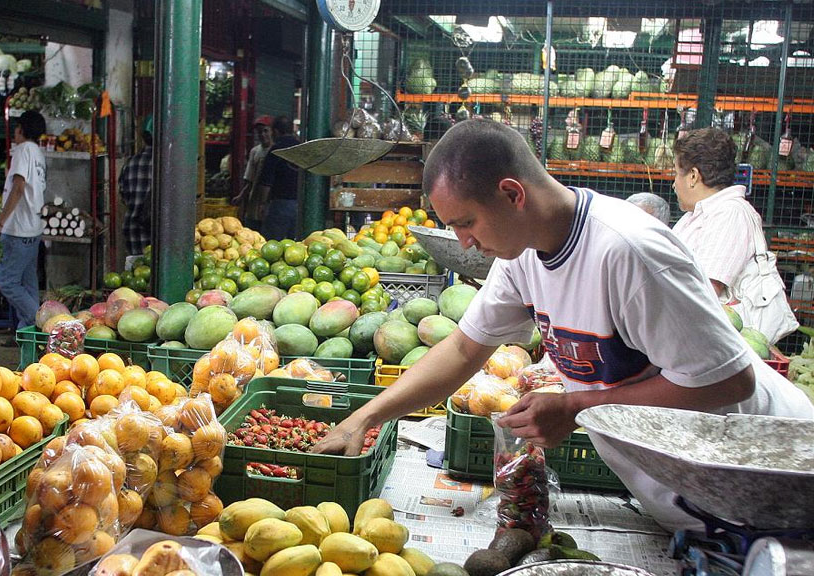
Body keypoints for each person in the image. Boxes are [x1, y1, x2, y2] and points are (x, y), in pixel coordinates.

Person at [312, 118, 813, 532]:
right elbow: (465, 350)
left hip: (768, 482)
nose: (463, 242)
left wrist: (576, 406)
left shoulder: (629, 252)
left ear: (512, 194)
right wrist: (365, 418)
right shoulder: (521, 256)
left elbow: (729, 379)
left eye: (466, 223)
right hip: (688, 493)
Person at [671, 128, 798, 344]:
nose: (674, 184)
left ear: (693, 176)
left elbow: (706, 289)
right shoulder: (696, 215)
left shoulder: (730, 213)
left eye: (675, 173)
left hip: (722, 343)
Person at [0, 110, 47, 330]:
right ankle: (30, 336)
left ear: (21, 129)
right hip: (33, 229)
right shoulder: (38, 153)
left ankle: (44, 324)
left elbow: (18, 187)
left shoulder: (22, 150)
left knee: (7, 281)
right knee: (28, 285)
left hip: (18, 230)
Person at [255, 115, 301, 239]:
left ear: (275, 131)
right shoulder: (301, 148)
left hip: (280, 205)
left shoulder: (275, 150)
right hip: (300, 204)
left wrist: (262, 205)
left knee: (275, 243)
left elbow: (266, 182)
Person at [119, 115, 153, 257]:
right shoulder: (171, 166)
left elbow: (124, 196)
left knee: (137, 274)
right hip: (162, 234)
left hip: (134, 230)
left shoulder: (131, 163)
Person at [234, 115, 274, 229]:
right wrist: (241, 196)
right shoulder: (255, 151)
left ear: (272, 131)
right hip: (254, 203)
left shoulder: (277, 150)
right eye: (259, 132)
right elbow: (249, 179)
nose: (262, 135)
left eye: (266, 131)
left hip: (270, 204)